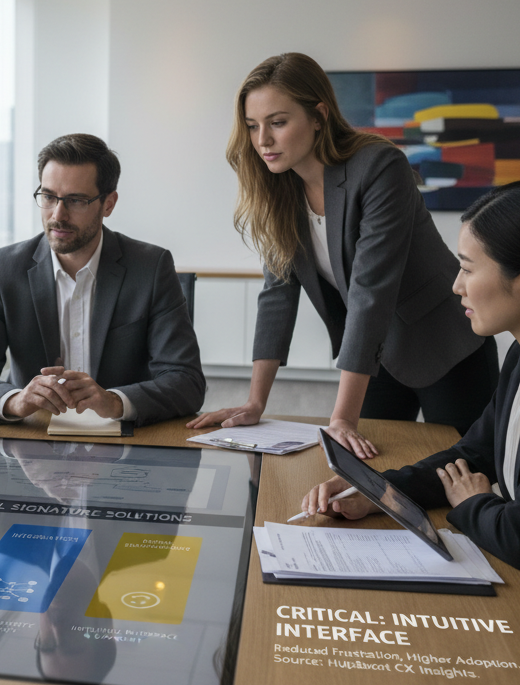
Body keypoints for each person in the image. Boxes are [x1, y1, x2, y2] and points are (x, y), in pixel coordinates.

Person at [302, 181, 520, 669]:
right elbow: (473, 454)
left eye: (468, 269)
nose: (455, 285)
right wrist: (379, 491)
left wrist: (470, 502)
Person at [189, 53, 496, 458]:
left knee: (463, 465)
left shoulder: (380, 166)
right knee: (364, 465)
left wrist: (342, 417)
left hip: (443, 343)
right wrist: (255, 401)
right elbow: (277, 294)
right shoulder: (280, 189)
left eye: (278, 122)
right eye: (252, 126)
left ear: (319, 116)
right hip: (376, 351)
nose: (262, 139)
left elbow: (372, 291)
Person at [0, 133, 205, 426]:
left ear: (108, 204)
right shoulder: (4, 268)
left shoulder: (150, 267)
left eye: (76, 200)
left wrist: (113, 401)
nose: (58, 215)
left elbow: (187, 381)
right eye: (48, 197)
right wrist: (16, 400)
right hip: (31, 440)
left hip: (124, 447)